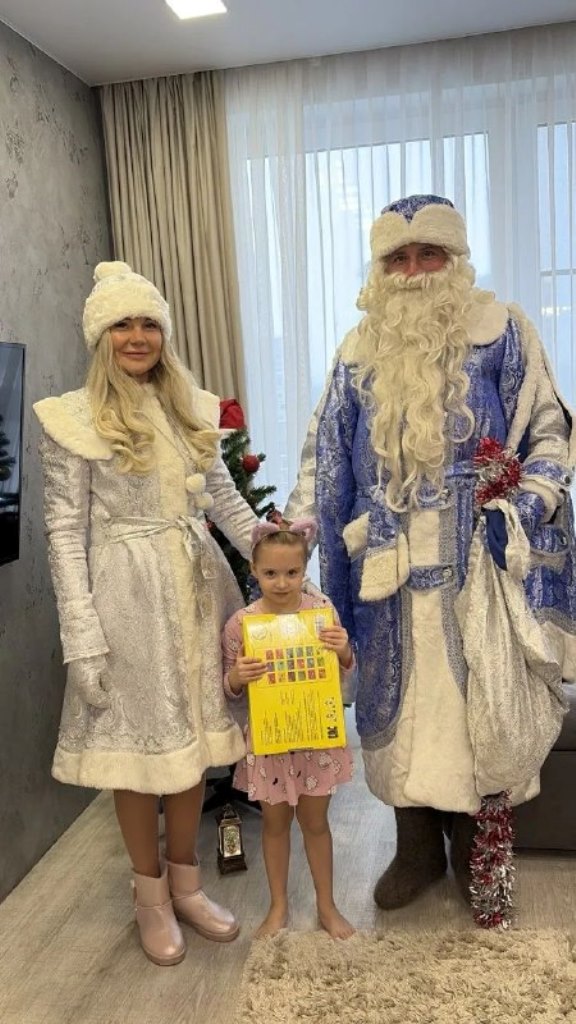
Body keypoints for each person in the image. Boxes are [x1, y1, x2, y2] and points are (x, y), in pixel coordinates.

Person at [283, 194, 576, 910]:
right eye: (399, 259)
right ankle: (415, 848)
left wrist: (525, 506)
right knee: (399, 709)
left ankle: (477, 853)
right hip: (386, 575)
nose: (413, 272)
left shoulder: (503, 332)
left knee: (479, 709)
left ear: (455, 259)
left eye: (428, 255)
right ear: (381, 268)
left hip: (478, 568)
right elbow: (324, 456)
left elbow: (548, 429)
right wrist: (292, 531)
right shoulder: (357, 351)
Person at [34, 261, 259, 966]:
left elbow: (225, 502)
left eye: (149, 324)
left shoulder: (189, 406)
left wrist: (274, 548)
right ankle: (150, 895)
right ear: (101, 336)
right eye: (123, 325)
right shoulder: (71, 420)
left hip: (195, 591)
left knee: (191, 749)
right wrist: (83, 638)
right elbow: (64, 534)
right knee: (136, 757)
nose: (138, 337)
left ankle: (186, 884)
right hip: (126, 601)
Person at [222, 520, 356, 939]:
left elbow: (344, 673)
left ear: (304, 570)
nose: (281, 583)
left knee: (316, 823)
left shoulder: (321, 614)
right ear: (254, 571)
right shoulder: (241, 624)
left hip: (315, 739)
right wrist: (238, 677)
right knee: (275, 824)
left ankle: (327, 906)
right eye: (270, 573)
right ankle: (278, 906)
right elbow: (227, 690)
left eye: (292, 572)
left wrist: (344, 651)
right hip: (270, 743)